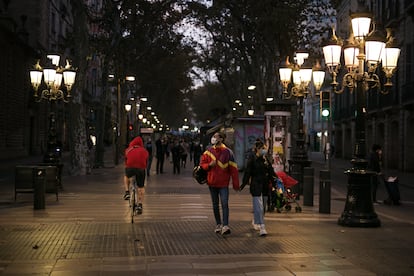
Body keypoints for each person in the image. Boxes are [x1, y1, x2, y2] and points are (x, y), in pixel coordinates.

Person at [200, 131, 240, 235]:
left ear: (221, 139)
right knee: (215, 205)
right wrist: (209, 165)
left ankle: (225, 225)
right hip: (212, 183)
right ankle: (218, 224)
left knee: (224, 204)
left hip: (223, 184)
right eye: (213, 136)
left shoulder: (228, 152)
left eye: (216, 136)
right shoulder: (208, 152)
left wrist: (236, 184)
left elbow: (233, 169)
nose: (213, 138)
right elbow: (202, 164)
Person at [240, 139, 275, 236]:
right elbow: (248, 172)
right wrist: (243, 184)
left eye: (265, 148)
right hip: (256, 185)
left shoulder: (266, 160)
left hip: (264, 185)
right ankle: (262, 227)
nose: (265, 150)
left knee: (262, 207)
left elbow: (271, 172)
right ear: (257, 149)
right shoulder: (252, 159)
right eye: (263, 148)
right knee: (259, 206)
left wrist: (275, 182)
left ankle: (256, 220)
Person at [123, 136, 149, 215]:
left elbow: (126, 160)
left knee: (126, 176)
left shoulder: (128, 149)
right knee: (141, 187)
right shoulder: (144, 151)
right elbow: (146, 161)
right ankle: (140, 205)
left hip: (130, 168)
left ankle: (127, 192)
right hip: (141, 169)